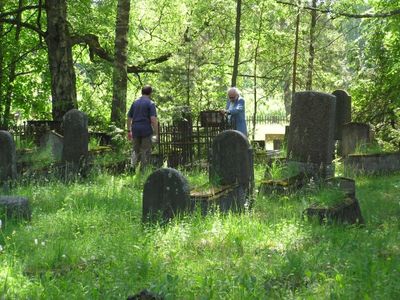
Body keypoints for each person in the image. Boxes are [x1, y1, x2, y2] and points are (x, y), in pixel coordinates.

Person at [127, 85, 158, 169]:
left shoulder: (135, 103)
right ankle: (143, 170)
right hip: (146, 129)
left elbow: (129, 117)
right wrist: (156, 132)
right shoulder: (151, 103)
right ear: (150, 93)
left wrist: (128, 131)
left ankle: (132, 168)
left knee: (135, 150)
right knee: (145, 150)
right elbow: (153, 119)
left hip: (135, 129)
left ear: (142, 92)